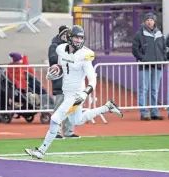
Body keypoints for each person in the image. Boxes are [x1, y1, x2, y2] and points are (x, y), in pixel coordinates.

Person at [25, 25, 123, 159]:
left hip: (78, 94)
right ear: (69, 37)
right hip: (67, 92)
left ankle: (41, 151)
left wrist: (84, 94)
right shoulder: (60, 49)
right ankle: (107, 107)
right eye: (77, 37)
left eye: (81, 38)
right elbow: (61, 67)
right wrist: (55, 73)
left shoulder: (84, 55)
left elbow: (93, 80)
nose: (79, 40)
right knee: (77, 120)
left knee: (55, 119)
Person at [132, 12, 167, 121]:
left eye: (151, 19)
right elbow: (135, 49)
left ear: (154, 21)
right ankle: (144, 112)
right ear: (144, 21)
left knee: (154, 90)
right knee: (144, 89)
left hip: (157, 66)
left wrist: (163, 59)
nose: (149, 21)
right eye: (147, 19)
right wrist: (143, 59)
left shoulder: (159, 34)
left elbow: (164, 48)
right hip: (145, 66)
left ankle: (154, 112)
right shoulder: (139, 34)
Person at [48, 25, 79, 139]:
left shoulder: (72, 47)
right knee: (59, 108)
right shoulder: (54, 46)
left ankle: (69, 132)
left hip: (71, 82)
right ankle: (54, 132)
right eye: (65, 34)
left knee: (71, 107)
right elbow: (53, 60)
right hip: (60, 82)